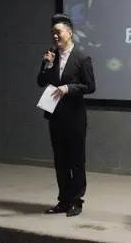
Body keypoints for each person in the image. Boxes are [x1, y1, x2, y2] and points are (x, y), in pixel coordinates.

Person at [37, 13, 95, 217]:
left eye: (58, 32)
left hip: (75, 117)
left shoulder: (82, 58)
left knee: (76, 160)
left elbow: (90, 86)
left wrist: (68, 88)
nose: (55, 36)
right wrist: (46, 64)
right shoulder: (51, 55)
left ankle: (76, 201)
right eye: (52, 33)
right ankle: (63, 200)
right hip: (55, 116)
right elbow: (41, 82)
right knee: (60, 160)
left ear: (69, 33)